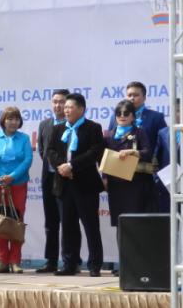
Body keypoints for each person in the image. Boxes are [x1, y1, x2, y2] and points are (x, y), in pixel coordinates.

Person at [46, 93, 105, 277]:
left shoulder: (93, 128)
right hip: (63, 185)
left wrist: (72, 166)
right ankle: (70, 264)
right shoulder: (58, 129)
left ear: (81, 110)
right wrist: (62, 167)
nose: (66, 110)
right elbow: (50, 151)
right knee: (68, 227)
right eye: (65, 107)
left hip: (85, 185)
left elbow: (94, 152)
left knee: (90, 226)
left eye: (70, 107)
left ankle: (94, 265)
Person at [103, 100, 153, 276]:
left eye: (126, 113)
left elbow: (149, 153)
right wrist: (104, 178)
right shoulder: (109, 136)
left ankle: (137, 265)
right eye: (119, 113)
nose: (122, 116)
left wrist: (132, 152)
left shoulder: (139, 133)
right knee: (120, 225)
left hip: (135, 185)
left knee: (134, 224)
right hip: (116, 186)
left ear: (133, 116)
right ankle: (124, 264)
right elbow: (102, 159)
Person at [36, 89, 82, 274]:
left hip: (68, 179)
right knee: (51, 223)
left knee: (70, 222)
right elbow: (42, 150)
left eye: (61, 102)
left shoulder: (75, 125)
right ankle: (51, 261)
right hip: (50, 178)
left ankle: (72, 261)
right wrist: (56, 167)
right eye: (54, 102)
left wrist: (64, 168)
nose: (58, 105)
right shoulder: (44, 124)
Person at [0, 107, 33, 273]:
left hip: (18, 185)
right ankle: (2, 261)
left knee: (16, 222)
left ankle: (15, 262)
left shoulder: (24, 138)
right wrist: (3, 179)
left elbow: (27, 160)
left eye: (16, 119)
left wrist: (12, 177)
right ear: (3, 121)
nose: (13, 122)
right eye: (10, 119)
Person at [108, 81, 166, 153]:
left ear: (144, 98)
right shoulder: (116, 117)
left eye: (136, 95)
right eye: (129, 95)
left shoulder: (156, 117)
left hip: (146, 159)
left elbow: (163, 143)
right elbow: (109, 140)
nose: (132, 98)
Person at [155, 99, 180, 214]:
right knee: (168, 220)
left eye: (178, 111)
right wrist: (157, 178)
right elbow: (156, 158)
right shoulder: (163, 132)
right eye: (173, 111)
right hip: (167, 187)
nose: (175, 114)